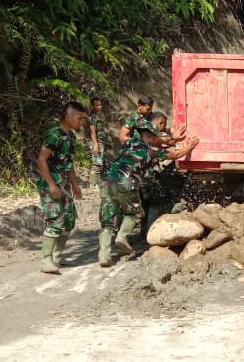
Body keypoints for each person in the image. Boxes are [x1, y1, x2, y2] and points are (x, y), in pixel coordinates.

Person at [98, 124, 200, 266]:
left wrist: (173, 139)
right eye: (157, 136)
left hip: (107, 180)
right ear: (152, 138)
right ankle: (122, 236)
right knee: (136, 213)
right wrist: (189, 146)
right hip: (127, 181)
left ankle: (104, 255)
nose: (160, 139)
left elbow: (163, 142)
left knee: (108, 218)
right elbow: (175, 154)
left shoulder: (132, 142)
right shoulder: (153, 151)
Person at [36, 101, 87, 274]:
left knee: (68, 220)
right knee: (55, 218)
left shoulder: (70, 136)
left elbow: (69, 162)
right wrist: (51, 185)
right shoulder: (54, 135)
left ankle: (57, 258)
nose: (82, 122)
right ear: (68, 117)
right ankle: (46, 261)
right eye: (79, 118)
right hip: (52, 181)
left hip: (64, 182)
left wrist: (74, 184)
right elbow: (41, 159)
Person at [85, 96, 109, 186]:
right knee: (97, 163)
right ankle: (93, 184)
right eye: (97, 105)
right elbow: (92, 131)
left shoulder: (97, 116)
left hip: (100, 142)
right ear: (92, 106)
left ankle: (98, 182)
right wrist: (95, 145)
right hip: (96, 142)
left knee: (100, 163)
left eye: (100, 105)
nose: (99, 107)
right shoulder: (93, 117)